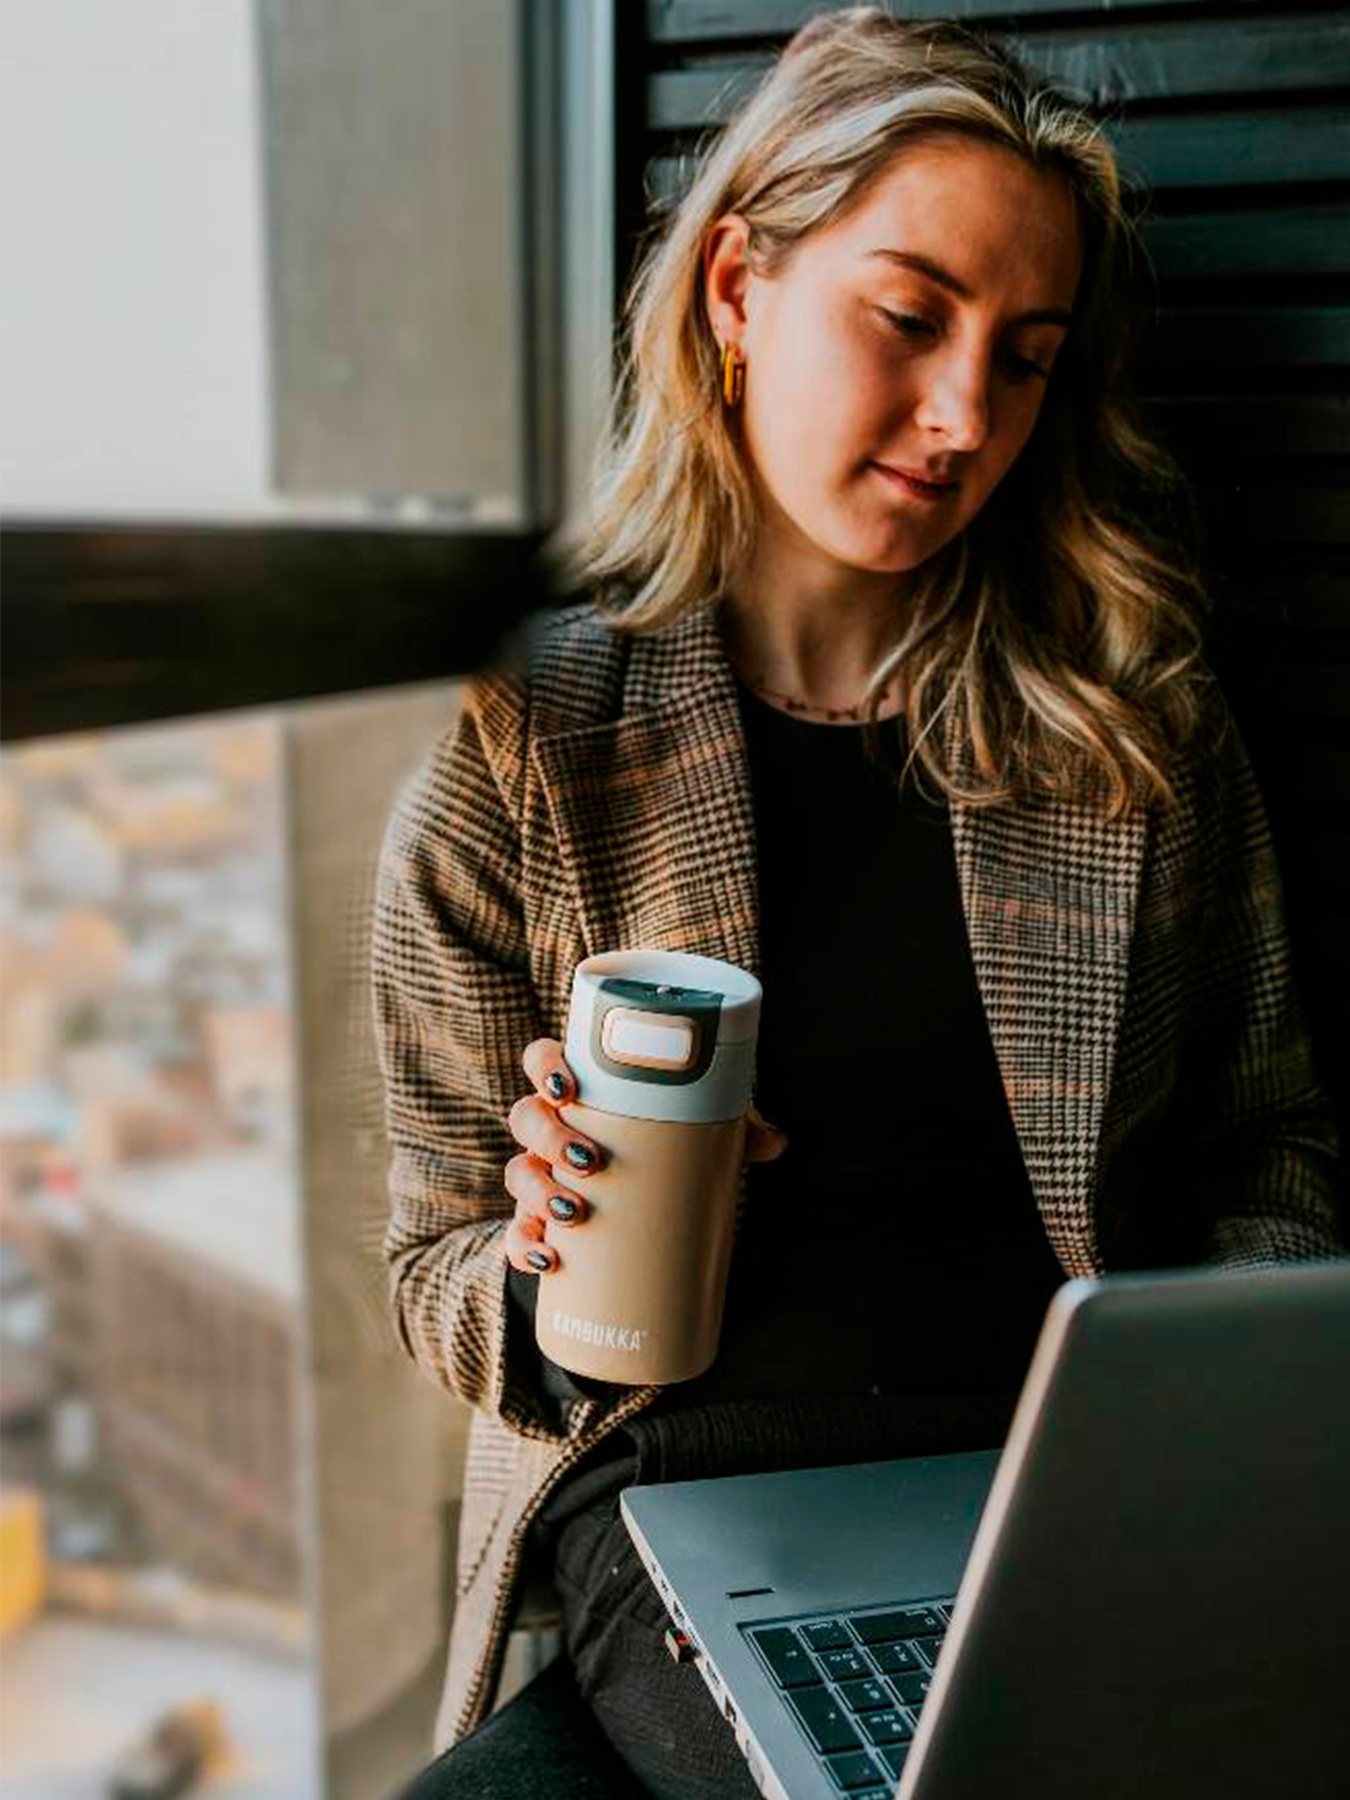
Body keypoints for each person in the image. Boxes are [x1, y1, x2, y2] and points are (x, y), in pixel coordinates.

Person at [371, 11, 1345, 1797]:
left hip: (1057, 1486)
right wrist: (545, 1250)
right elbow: (428, 1265)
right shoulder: (526, 734)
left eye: (1027, 357)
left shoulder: (1129, 726)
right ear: (738, 285)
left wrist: (1210, 1429)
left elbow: (1265, 1136)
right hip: (679, 1482)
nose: (965, 412)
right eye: (908, 319)